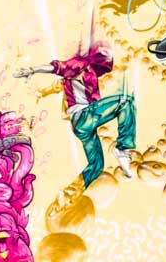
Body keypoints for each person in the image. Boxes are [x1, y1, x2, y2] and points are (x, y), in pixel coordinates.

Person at [18, 44, 136, 186]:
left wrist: (109, 54)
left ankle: (73, 192)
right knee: (125, 102)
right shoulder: (79, 63)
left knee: (96, 166)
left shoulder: (90, 69)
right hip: (85, 115)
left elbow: (105, 68)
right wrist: (33, 70)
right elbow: (56, 67)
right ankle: (122, 148)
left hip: (81, 126)